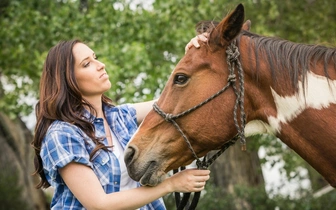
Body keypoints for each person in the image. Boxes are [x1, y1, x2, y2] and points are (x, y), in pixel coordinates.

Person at [31, 34, 209, 210]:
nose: (101, 66)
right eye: (87, 64)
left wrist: (193, 55)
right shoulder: (62, 134)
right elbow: (98, 204)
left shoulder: (120, 117)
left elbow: (178, 99)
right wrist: (171, 185)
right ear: (67, 80)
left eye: (95, 58)